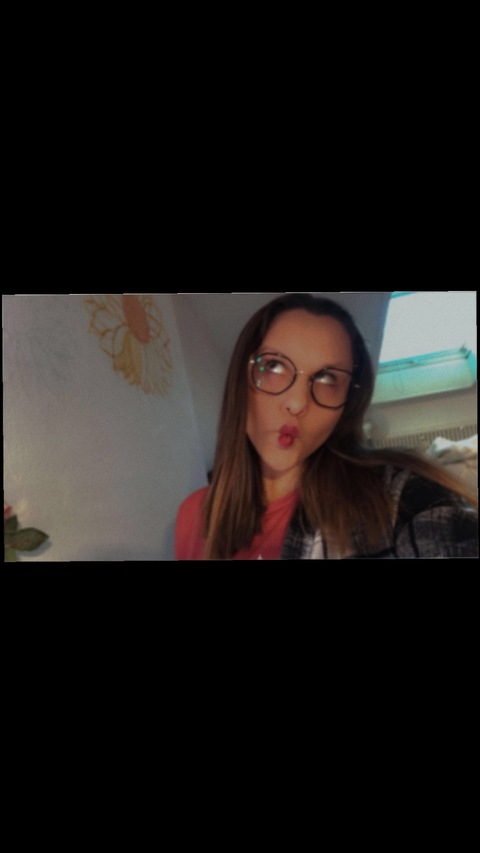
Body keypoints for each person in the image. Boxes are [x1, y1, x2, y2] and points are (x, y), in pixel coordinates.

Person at [175, 294, 478, 560]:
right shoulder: (194, 515)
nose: (297, 403)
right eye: (274, 366)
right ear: (241, 378)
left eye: (326, 378)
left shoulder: (396, 499)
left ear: (347, 403)